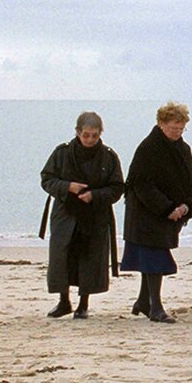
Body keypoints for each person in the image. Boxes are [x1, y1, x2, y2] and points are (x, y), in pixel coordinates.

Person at [120, 101, 192, 324]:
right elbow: (141, 185)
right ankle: (155, 307)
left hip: (172, 214)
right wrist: (167, 209)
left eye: (181, 128)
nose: (177, 132)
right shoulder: (148, 148)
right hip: (145, 215)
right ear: (161, 124)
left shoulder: (183, 149)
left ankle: (143, 302)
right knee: (154, 260)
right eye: (174, 127)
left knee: (152, 259)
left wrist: (186, 205)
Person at [39, 112, 125, 319]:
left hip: (95, 216)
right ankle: (63, 301)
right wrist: (68, 186)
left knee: (90, 258)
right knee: (62, 257)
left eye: (94, 135)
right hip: (65, 213)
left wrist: (94, 195)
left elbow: (117, 187)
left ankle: (83, 304)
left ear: (100, 134)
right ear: (77, 132)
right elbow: (46, 179)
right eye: (86, 135)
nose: (89, 139)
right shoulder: (61, 153)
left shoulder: (109, 156)